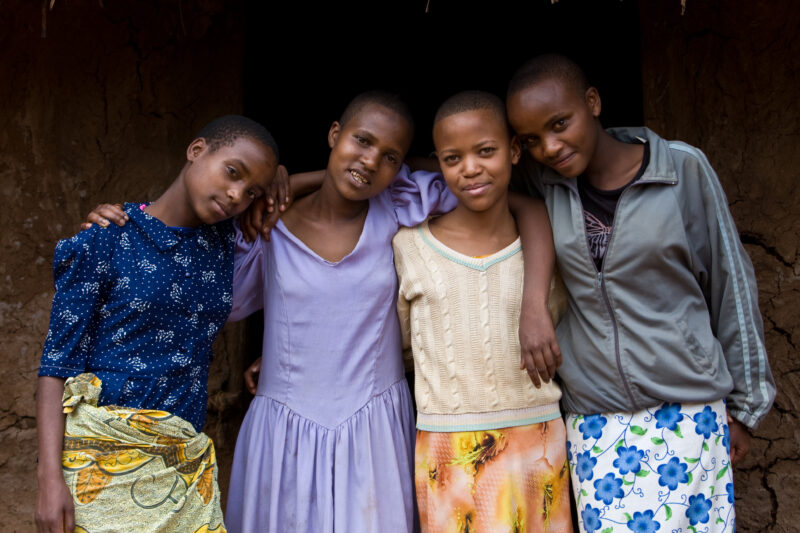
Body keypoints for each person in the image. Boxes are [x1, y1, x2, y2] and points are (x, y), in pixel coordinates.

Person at [505, 54, 776, 533]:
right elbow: (463, 161)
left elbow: (730, 283)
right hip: (596, 424)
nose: (549, 146)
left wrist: (745, 409)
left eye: (560, 123)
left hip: (688, 413)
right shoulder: (544, 183)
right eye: (531, 140)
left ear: (593, 102)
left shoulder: (681, 169)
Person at [36, 115, 280, 533]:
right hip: (100, 464)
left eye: (251, 190)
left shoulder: (225, 240)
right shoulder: (106, 237)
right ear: (196, 150)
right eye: (232, 172)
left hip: (179, 468)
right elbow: (56, 366)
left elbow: (336, 187)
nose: (237, 194)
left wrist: (281, 180)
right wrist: (48, 480)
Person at [393, 90, 572, 533]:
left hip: (539, 440)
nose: (470, 168)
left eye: (486, 151)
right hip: (448, 450)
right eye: (453, 158)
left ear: (513, 151)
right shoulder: (410, 247)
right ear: (438, 163)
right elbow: (402, 348)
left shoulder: (545, 240)